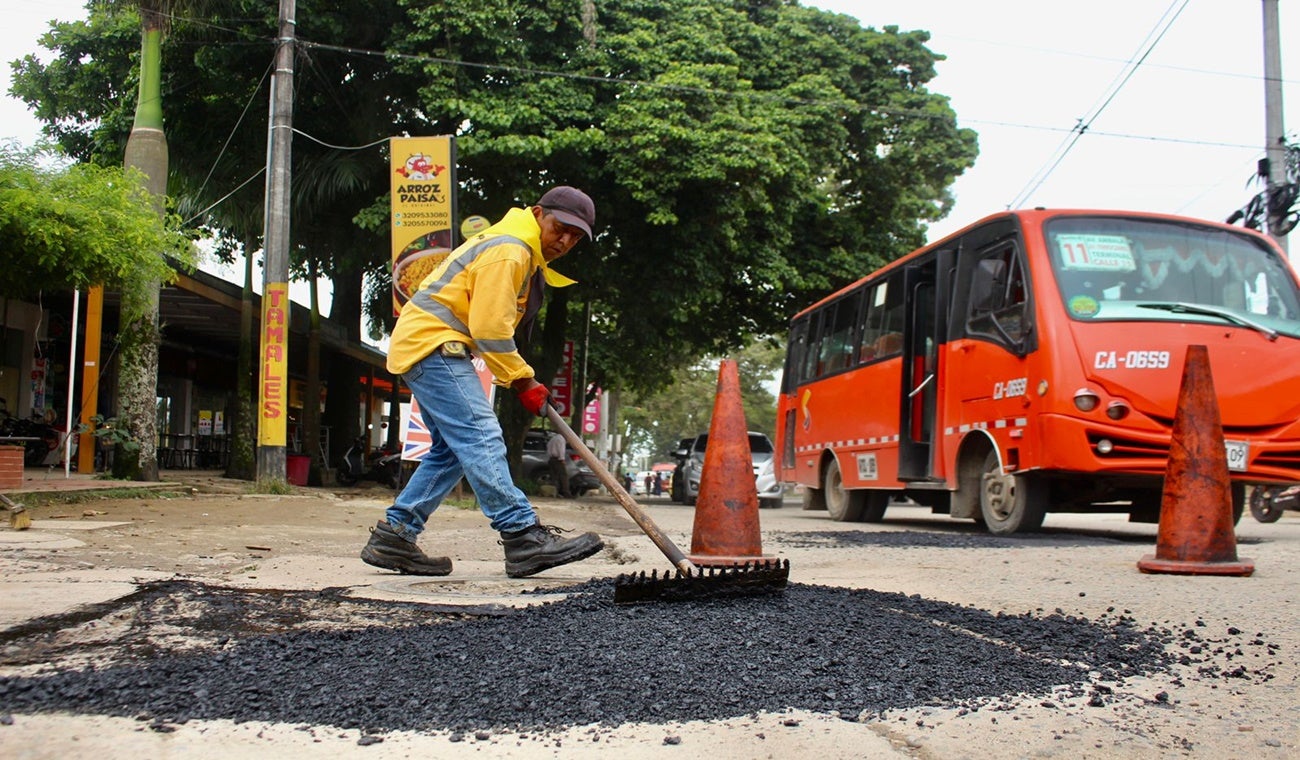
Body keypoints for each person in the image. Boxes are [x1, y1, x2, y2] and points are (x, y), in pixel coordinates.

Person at [361, 186, 604, 578]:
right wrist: (523, 380)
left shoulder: (519, 249)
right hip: (433, 344)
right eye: (560, 228)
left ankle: (396, 535)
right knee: (481, 436)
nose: (564, 241)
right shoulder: (510, 250)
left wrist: (522, 378)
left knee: (452, 451)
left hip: (427, 344)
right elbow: (490, 329)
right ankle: (522, 535)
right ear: (538, 214)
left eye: (575, 237)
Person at [546, 431, 572, 498]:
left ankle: (554, 492)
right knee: (563, 476)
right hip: (558, 460)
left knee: (554, 476)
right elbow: (561, 450)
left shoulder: (553, 438)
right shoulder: (561, 439)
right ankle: (566, 493)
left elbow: (548, 448)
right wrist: (562, 459)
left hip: (551, 459)